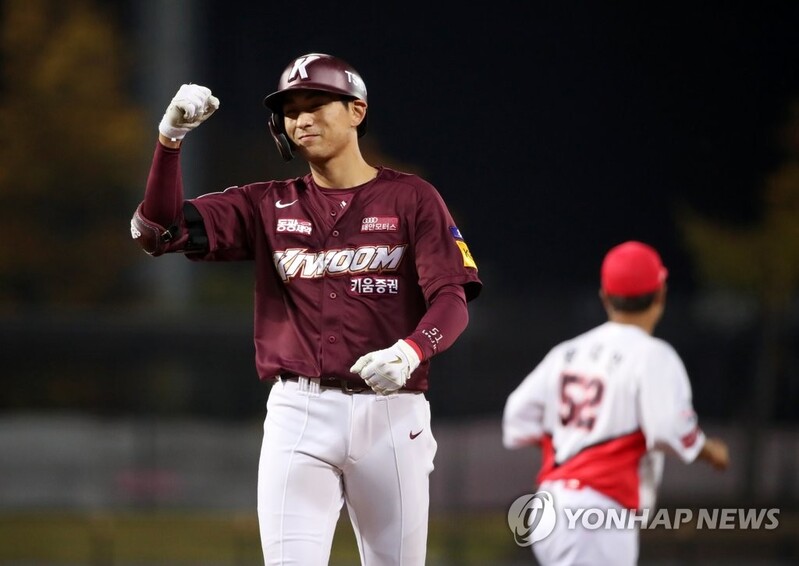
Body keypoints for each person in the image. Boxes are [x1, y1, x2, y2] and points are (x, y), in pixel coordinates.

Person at [130, 52, 482, 565]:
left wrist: (410, 352)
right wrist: (169, 142)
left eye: (318, 103)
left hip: (393, 409)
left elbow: (452, 299)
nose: (302, 119)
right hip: (300, 410)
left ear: (357, 111)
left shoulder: (412, 199)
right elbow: (156, 232)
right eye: (291, 109)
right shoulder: (265, 204)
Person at [502, 240, 729, 566]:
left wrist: (570, 446)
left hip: (548, 505)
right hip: (597, 512)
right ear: (661, 293)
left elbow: (516, 419)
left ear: (605, 297)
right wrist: (710, 451)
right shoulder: (653, 356)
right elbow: (668, 429)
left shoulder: (567, 352)